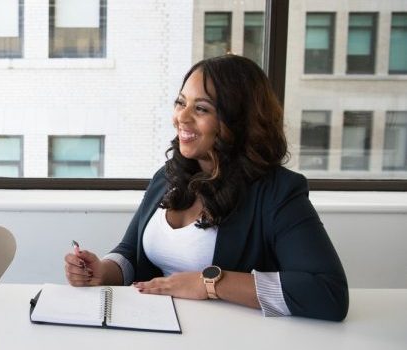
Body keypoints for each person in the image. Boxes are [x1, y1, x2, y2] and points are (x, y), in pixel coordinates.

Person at [64, 55, 348, 321]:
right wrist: (103, 271)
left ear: (238, 120)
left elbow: (328, 292)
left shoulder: (278, 192)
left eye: (201, 108)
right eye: (180, 102)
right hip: (155, 328)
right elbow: (131, 252)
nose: (182, 117)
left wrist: (210, 282)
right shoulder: (167, 176)